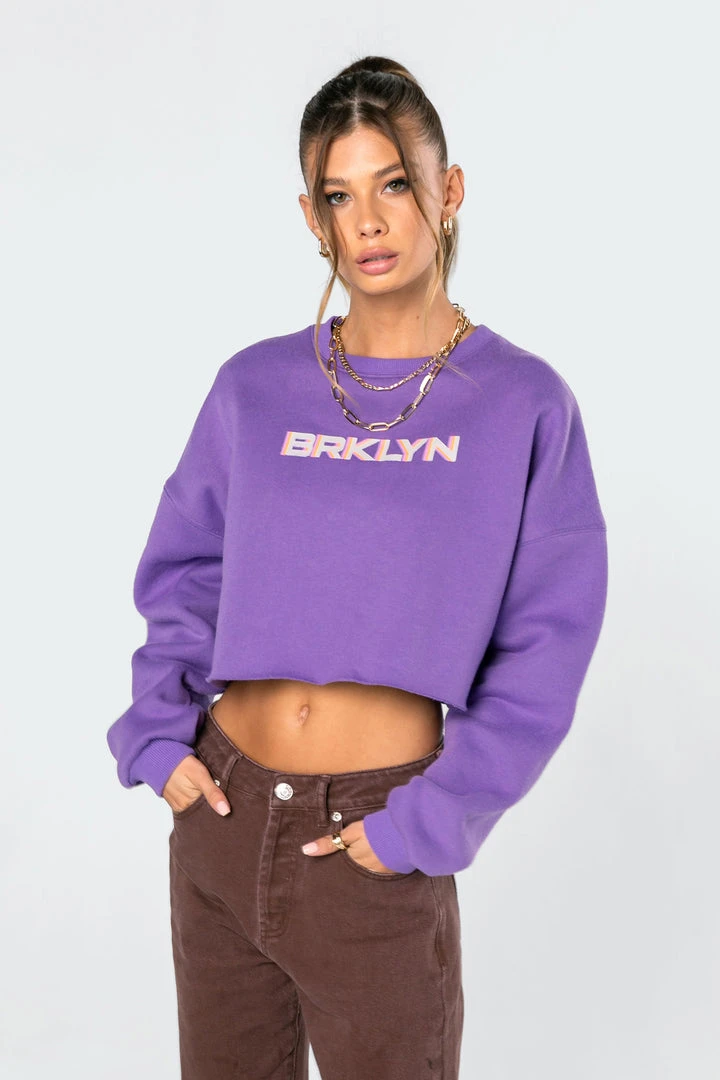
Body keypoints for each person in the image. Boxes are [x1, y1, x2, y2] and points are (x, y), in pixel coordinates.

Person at [107, 55, 608, 1080]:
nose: (369, 222)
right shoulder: (255, 387)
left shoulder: (522, 404)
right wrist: (159, 736)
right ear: (312, 216)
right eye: (339, 196)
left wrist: (429, 819)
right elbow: (186, 573)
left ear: (448, 190)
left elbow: (547, 644)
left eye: (393, 184)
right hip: (221, 818)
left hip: (373, 845)